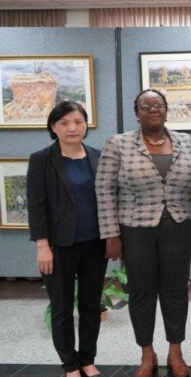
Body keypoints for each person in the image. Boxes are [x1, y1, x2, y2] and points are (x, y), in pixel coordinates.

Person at [95, 90, 191, 377]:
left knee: (175, 291)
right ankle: (147, 353)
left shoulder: (187, 142)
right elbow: (104, 189)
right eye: (146, 106)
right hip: (135, 229)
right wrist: (111, 233)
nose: (153, 109)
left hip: (179, 226)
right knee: (141, 292)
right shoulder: (118, 143)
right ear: (137, 113)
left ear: (167, 110)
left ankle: (176, 351)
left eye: (158, 105)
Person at [27, 101, 107, 377]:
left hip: (95, 245)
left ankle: (87, 359)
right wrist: (42, 246)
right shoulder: (42, 160)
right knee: (61, 308)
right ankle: (70, 365)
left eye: (77, 121)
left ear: (86, 124)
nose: (72, 128)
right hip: (58, 247)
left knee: (90, 305)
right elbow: (36, 206)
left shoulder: (98, 156)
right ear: (53, 127)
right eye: (64, 123)